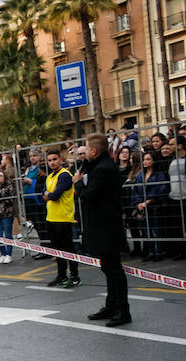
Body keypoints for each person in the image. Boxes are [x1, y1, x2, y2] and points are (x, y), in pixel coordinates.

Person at [81, 134, 131, 327]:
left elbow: (89, 195)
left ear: (94, 150)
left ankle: (122, 309)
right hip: (102, 227)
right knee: (108, 269)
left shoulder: (104, 169)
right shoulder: (99, 166)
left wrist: (78, 183)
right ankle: (111, 306)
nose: (84, 152)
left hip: (107, 227)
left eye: (86, 149)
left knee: (114, 270)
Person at [43, 149, 81, 287]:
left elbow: (54, 195)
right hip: (52, 217)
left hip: (63, 218)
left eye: (54, 159)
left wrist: (49, 194)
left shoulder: (64, 175)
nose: (52, 162)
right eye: (50, 160)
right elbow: (44, 194)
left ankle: (75, 276)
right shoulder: (50, 177)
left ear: (61, 160)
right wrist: (48, 194)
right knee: (57, 250)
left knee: (68, 249)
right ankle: (61, 276)